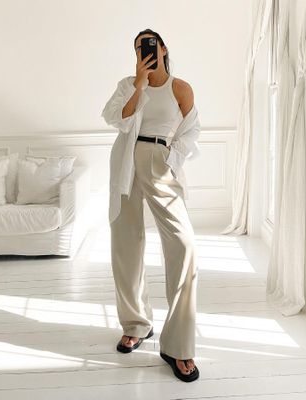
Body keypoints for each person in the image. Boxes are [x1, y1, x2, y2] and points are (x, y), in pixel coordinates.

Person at [101, 28, 201, 382]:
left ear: (163, 48)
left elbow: (192, 130)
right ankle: (136, 323)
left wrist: (171, 159)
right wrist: (139, 84)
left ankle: (178, 344)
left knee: (184, 245)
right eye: (140, 47)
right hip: (126, 163)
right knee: (126, 246)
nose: (147, 51)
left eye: (152, 45)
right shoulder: (128, 84)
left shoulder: (180, 88)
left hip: (161, 163)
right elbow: (116, 119)